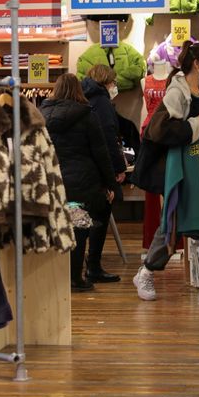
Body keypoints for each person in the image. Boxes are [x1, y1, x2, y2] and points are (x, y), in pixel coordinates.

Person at [133, 42, 199, 305]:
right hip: (180, 167)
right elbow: (159, 130)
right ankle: (146, 272)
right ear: (197, 64)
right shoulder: (176, 92)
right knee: (176, 220)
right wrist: (198, 123)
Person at [40, 74, 117, 292]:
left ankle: (60, 276)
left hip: (54, 181)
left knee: (58, 227)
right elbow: (101, 153)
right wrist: (110, 184)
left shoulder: (41, 115)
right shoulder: (86, 115)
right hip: (83, 181)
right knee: (80, 228)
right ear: (78, 91)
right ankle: (78, 276)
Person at [81, 65, 125, 283]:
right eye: (113, 82)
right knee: (100, 214)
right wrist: (118, 169)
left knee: (82, 217)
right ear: (107, 81)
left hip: (82, 168)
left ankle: (80, 265)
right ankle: (94, 266)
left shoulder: (82, 98)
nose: (115, 86)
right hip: (100, 168)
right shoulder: (102, 102)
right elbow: (109, 138)